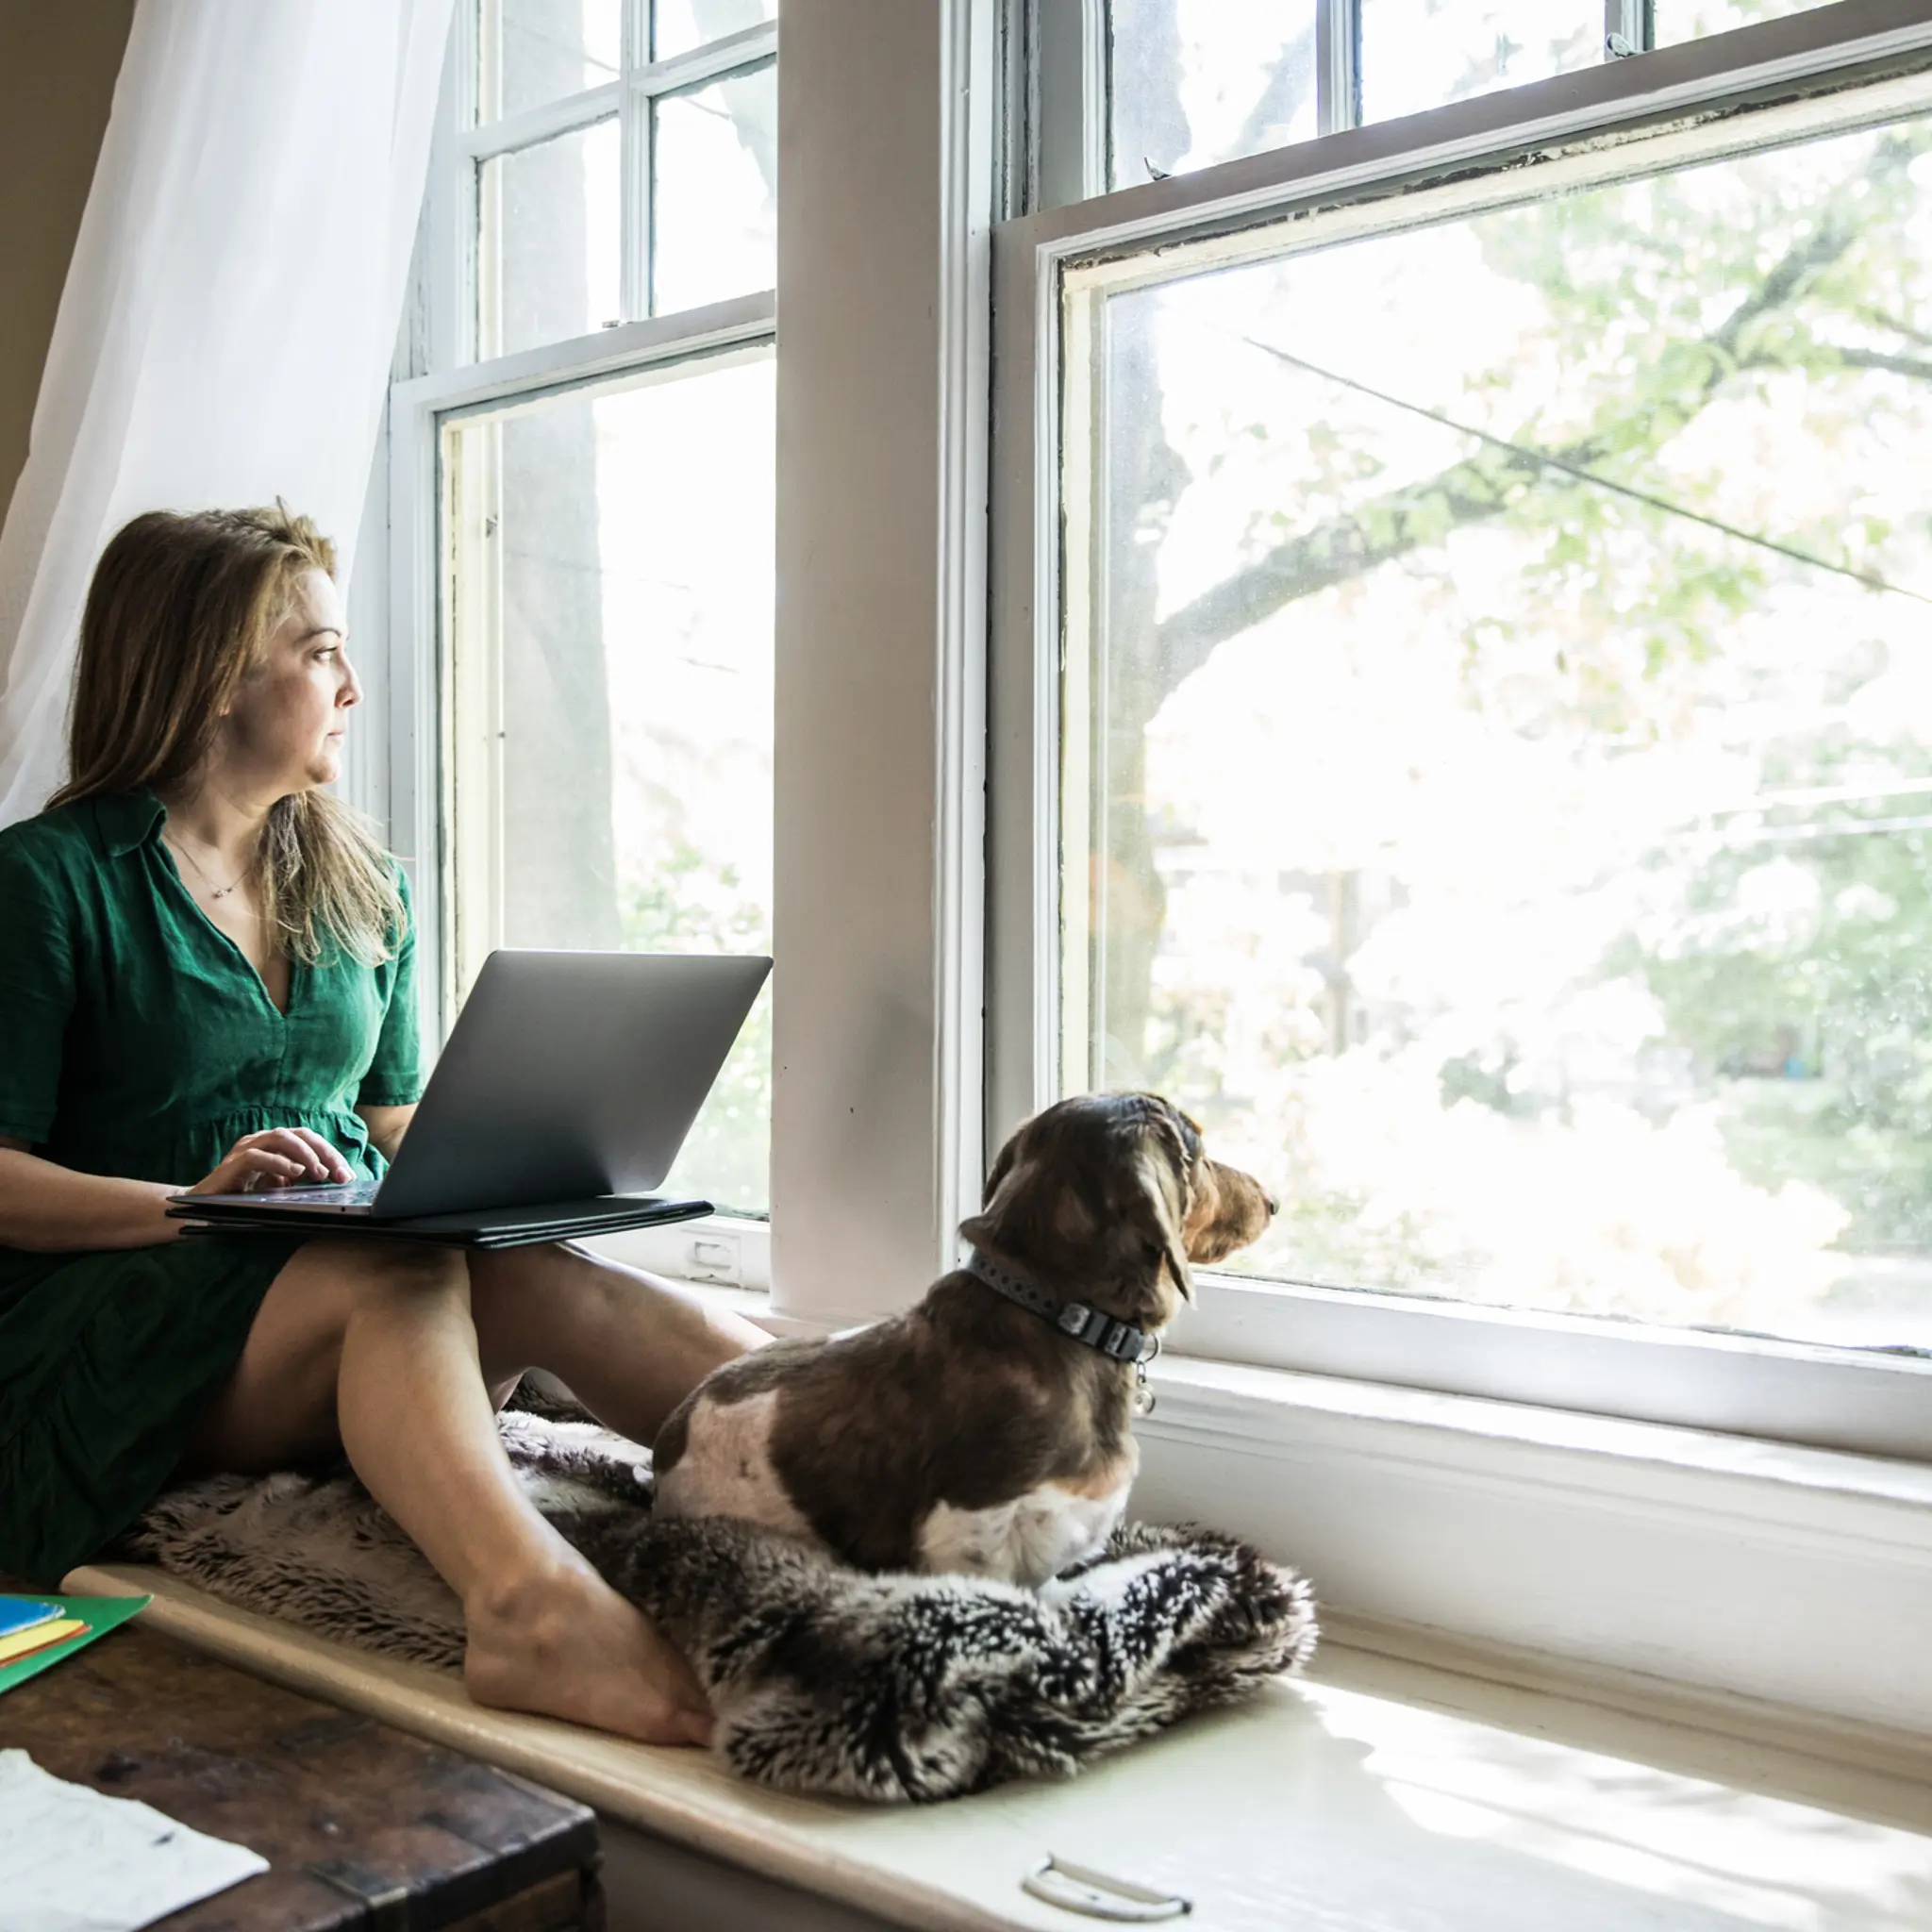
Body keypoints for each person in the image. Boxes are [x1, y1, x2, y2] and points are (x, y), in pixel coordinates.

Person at [0, 505, 766, 1745]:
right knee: (394, 1272)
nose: (351, 686)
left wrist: (510, 1168)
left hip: (334, 1264)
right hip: (114, 1310)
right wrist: (195, 1200)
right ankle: (525, 1606)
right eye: (319, 653)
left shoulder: (366, 884)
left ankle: (875, 1455)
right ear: (211, 679)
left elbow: (390, 1113)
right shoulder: (46, 882)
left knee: (537, 1272)